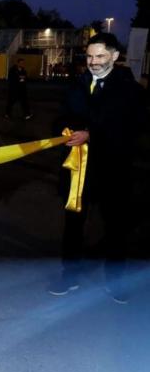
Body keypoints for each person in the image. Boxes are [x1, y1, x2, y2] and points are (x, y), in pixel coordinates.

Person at [48, 33, 147, 303]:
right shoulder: (76, 85)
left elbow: (133, 128)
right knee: (73, 226)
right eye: (90, 56)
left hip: (113, 172)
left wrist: (91, 135)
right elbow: (58, 117)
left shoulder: (131, 90)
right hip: (77, 170)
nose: (93, 62)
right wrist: (63, 130)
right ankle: (70, 276)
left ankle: (115, 283)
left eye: (100, 56)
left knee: (115, 228)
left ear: (115, 56)